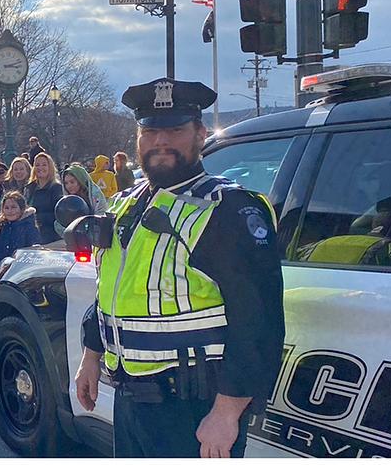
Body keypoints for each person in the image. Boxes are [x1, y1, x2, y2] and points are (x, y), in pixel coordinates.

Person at [73, 77, 285, 458]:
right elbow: (112, 289)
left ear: (200, 135)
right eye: (151, 130)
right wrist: (91, 354)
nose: (161, 141)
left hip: (194, 407)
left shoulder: (227, 209)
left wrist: (227, 411)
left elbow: (259, 320)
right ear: (138, 139)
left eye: (175, 129)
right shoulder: (125, 205)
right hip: (131, 400)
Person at [0, 191, 40, 291]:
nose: (10, 211)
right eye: (7, 208)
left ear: (21, 208)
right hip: (2, 276)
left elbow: (33, 252)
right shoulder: (1, 228)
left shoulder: (29, 227)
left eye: (13, 207)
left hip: (21, 277)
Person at [55, 164, 108, 236]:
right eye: (66, 183)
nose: (69, 186)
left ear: (80, 180)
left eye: (72, 182)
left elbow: (102, 216)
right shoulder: (67, 202)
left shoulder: (95, 196)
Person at [23, 153, 64, 244]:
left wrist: (37, 217)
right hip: (31, 236)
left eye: (44, 165)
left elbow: (59, 215)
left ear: (50, 167)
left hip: (50, 237)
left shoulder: (56, 188)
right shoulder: (29, 188)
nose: (40, 167)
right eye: (37, 165)